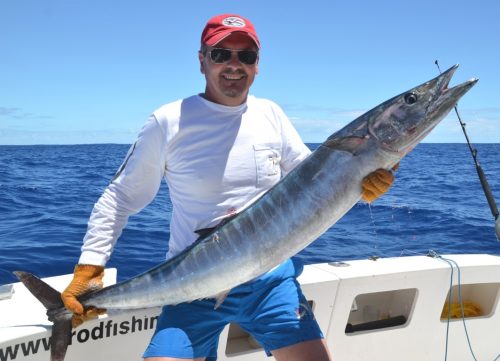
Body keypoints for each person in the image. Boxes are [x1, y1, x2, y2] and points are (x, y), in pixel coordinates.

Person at [61, 14, 395, 361]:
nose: (234, 65)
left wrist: (361, 183)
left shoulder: (271, 114)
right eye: (222, 54)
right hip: (193, 284)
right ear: (202, 60)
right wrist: (90, 266)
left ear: (257, 66)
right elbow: (120, 199)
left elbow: (311, 182)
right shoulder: (168, 121)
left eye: (246, 56)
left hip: (270, 282)